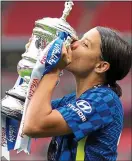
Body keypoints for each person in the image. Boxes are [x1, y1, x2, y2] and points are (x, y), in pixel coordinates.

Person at [23, 26, 132, 161]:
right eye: (79, 39)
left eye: (85, 44)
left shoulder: (105, 100)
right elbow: (23, 113)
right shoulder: (72, 100)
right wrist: (34, 67)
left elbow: (34, 125)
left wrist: (53, 70)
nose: (74, 44)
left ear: (101, 66)